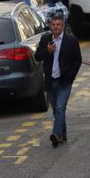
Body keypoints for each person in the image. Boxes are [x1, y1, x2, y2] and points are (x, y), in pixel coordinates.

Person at [34, 14, 82, 147]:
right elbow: (37, 57)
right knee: (56, 110)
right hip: (50, 81)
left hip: (64, 82)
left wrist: (70, 78)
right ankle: (62, 134)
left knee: (60, 108)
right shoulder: (45, 39)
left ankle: (55, 134)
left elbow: (77, 60)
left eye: (59, 24)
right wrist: (48, 51)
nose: (56, 27)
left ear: (63, 26)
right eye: (54, 24)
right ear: (50, 26)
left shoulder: (71, 41)